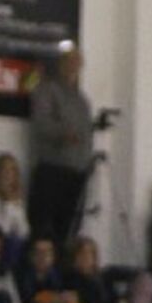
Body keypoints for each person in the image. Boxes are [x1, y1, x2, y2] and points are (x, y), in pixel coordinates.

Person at [29, 43, 93, 244]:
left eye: (77, 62)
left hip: (77, 173)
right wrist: (63, 134)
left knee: (69, 232)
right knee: (45, 231)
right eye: (69, 61)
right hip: (52, 169)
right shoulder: (46, 89)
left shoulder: (82, 99)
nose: (73, 66)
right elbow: (41, 124)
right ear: (60, 63)